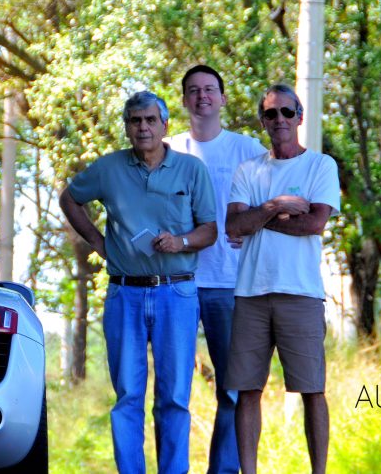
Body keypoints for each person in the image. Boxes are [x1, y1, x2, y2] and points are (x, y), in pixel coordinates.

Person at [59, 90, 218, 474]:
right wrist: (97, 242)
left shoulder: (191, 169)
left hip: (176, 292)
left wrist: (181, 242)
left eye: (150, 120)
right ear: (127, 127)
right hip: (124, 292)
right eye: (135, 121)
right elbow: (69, 199)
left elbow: (210, 230)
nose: (143, 127)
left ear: (165, 125)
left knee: (174, 397)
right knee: (128, 395)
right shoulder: (108, 168)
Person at [224, 84, 340, 474]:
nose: (279, 120)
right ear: (263, 120)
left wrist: (258, 219)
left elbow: (314, 223)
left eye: (287, 112)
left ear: (299, 117)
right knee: (247, 391)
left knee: (312, 390)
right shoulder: (248, 170)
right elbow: (233, 225)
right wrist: (276, 206)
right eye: (271, 113)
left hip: (301, 293)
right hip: (251, 295)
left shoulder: (320, 166)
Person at [168, 65, 266, 474]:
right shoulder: (169, 149)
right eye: (194, 90)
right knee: (173, 393)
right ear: (184, 100)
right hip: (176, 281)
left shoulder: (247, 149)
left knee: (233, 389)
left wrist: (254, 229)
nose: (202, 96)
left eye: (210, 89)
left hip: (228, 282)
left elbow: (271, 203)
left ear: (223, 98)